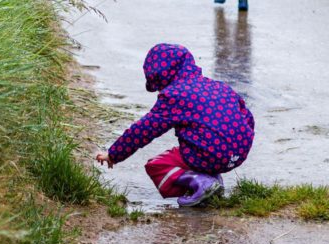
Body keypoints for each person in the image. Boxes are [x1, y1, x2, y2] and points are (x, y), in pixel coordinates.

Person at [96, 43, 255, 207]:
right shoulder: (218, 86)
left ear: (160, 77)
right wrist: (240, 142)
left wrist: (114, 154)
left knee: (157, 165)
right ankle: (211, 180)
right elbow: (247, 115)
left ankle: (201, 183)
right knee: (202, 144)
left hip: (211, 154)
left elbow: (143, 130)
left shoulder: (173, 95)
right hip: (238, 153)